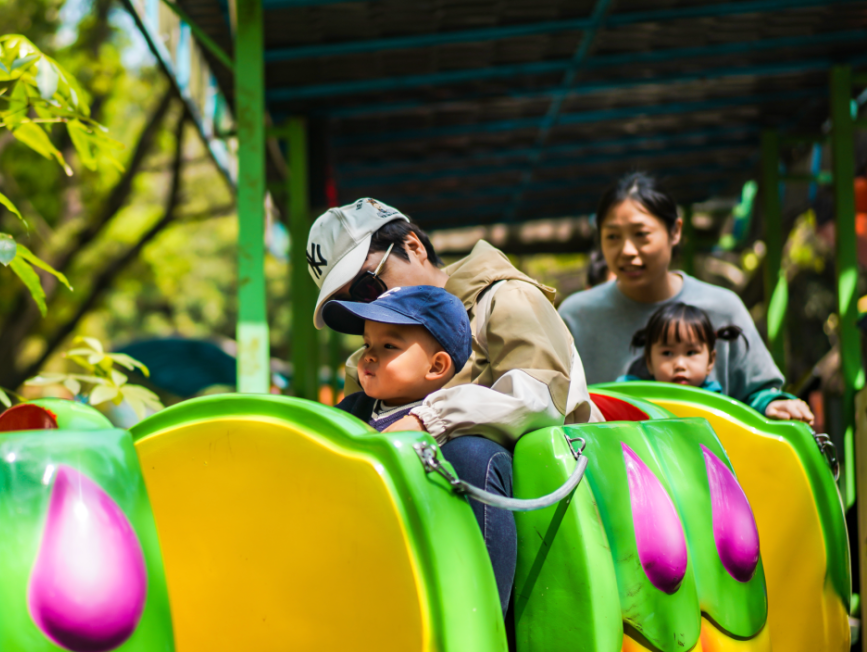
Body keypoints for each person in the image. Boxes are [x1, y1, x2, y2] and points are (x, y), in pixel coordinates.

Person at [306, 197, 600, 616]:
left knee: (470, 454)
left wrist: (425, 419)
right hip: (404, 537)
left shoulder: (505, 299)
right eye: (354, 306)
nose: (372, 306)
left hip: (541, 515)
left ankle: (479, 626)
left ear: (413, 245)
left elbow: (540, 398)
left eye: (369, 285)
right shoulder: (366, 364)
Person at [560, 172, 814, 424]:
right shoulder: (575, 317)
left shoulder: (724, 308)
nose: (627, 250)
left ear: (675, 232)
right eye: (613, 236)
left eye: (641, 234)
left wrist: (775, 404)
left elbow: (758, 394)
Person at [325, 285, 472, 432]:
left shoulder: (442, 426)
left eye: (388, 346)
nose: (369, 356)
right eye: (367, 344)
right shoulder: (354, 407)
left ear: (436, 366)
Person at [618, 302, 746, 393]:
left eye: (691, 353)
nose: (680, 365)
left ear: (710, 361)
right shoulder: (631, 394)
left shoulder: (717, 403)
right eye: (667, 353)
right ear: (649, 362)